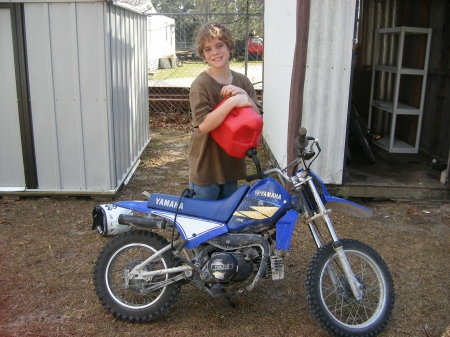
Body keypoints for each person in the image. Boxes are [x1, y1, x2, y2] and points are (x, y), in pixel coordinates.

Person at [188, 22, 263, 200]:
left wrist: (244, 96)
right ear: (203, 55)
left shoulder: (242, 81)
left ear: (229, 47)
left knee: (228, 218)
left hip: (232, 164)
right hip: (207, 165)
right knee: (204, 219)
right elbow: (204, 125)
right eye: (207, 49)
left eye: (219, 45)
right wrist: (232, 103)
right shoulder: (201, 84)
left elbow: (257, 116)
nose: (214, 52)